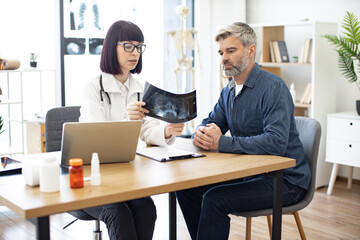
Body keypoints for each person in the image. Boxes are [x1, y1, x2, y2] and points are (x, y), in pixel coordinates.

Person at [175, 22, 311, 240]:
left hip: (285, 180)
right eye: (221, 52)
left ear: (251, 50)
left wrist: (222, 143)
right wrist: (200, 132)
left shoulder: (273, 88)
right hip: (250, 173)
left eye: (230, 51)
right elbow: (211, 122)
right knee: (186, 188)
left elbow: (276, 143)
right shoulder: (228, 90)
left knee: (214, 199)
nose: (223, 58)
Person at [79, 20, 184, 240]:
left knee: (147, 209)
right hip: (95, 176)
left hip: (127, 175)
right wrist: (128, 118)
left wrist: (167, 131)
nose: (134, 52)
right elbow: (96, 138)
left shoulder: (140, 88)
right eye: (127, 45)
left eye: (138, 46)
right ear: (110, 47)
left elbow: (147, 129)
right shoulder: (92, 87)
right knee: (118, 213)